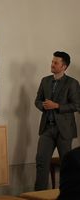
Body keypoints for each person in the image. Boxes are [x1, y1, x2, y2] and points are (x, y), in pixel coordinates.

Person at [34, 51, 80, 191]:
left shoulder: (72, 83)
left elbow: (77, 105)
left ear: (64, 66)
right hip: (47, 128)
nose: (52, 64)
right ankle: (39, 195)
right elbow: (37, 101)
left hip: (64, 130)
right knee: (41, 161)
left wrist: (57, 106)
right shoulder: (45, 80)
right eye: (52, 62)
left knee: (67, 165)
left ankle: (67, 194)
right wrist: (43, 105)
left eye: (56, 63)